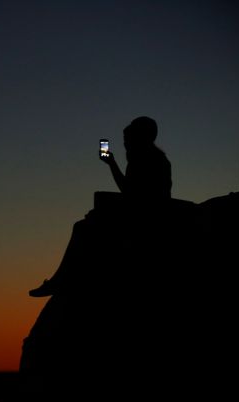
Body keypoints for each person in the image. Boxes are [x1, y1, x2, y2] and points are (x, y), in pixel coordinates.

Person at [29, 116, 172, 297]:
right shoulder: (153, 158)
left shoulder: (147, 160)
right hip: (144, 212)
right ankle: (60, 280)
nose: (126, 145)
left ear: (140, 138)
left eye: (128, 140)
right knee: (96, 208)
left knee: (81, 228)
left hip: (145, 218)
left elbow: (133, 195)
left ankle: (58, 281)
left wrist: (111, 164)